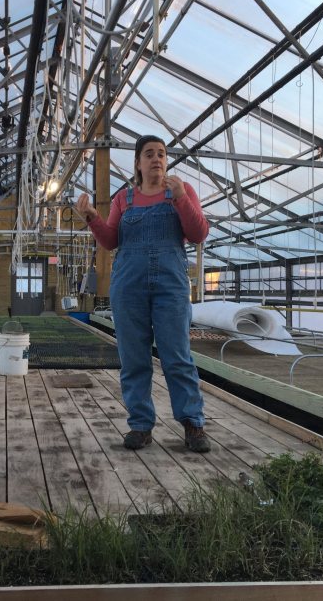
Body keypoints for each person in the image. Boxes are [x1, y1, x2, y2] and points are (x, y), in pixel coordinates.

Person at [74, 134, 212, 453]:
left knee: (177, 356)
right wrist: (93, 218)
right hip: (129, 286)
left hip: (171, 285)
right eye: (149, 154)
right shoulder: (125, 198)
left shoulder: (182, 190)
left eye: (161, 154)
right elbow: (110, 241)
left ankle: (193, 424)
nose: (156, 159)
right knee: (134, 358)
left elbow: (198, 233)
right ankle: (140, 425)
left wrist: (180, 199)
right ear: (137, 162)